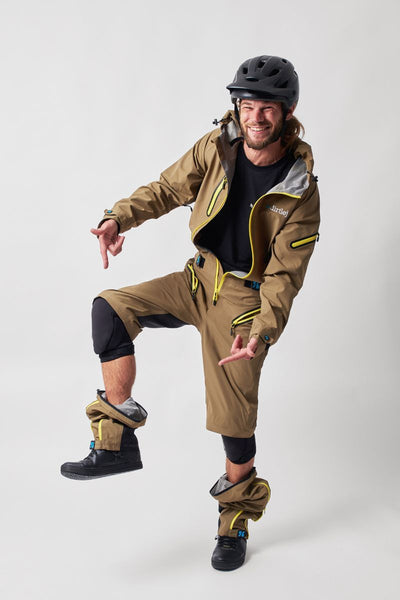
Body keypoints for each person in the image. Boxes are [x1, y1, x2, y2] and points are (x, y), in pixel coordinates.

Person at [61, 55, 320, 571]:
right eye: (248, 106)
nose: (255, 118)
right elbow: (167, 188)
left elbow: (284, 278)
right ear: (237, 107)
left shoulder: (300, 191)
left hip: (244, 305)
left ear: (288, 112)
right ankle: (116, 441)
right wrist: (117, 219)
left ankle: (234, 520)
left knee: (234, 423)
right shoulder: (217, 146)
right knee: (111, 308)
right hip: (197, 278)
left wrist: (261, 331)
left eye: (268, 109)